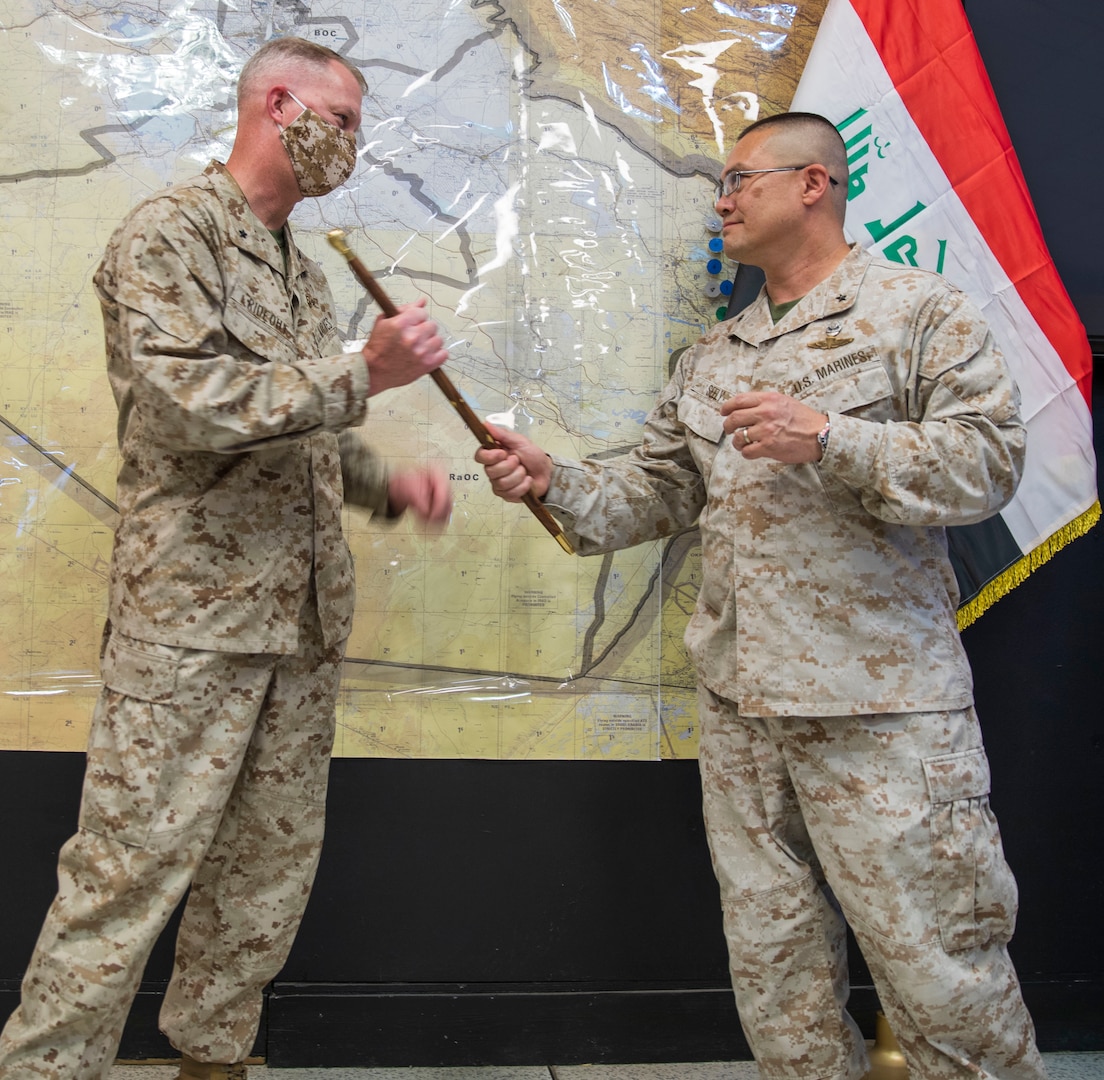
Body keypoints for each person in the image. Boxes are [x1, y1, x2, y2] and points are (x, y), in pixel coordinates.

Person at [476, 112, 1047, 1079]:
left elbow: (989, 466)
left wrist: (832, 437)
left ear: (814, 184)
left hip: (880, 709)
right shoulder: (715, 355)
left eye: (740, 180)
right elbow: (656, 491)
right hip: (743, 706)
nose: (722, 200)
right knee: (775, 965)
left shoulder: (919, 313)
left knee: (939, 964)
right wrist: (552, 480)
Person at [0, 36, 452, 1080]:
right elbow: (180, 404)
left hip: (296, 623)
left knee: (264, 872)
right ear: (277, 102)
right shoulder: (169, 235)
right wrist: (361, 375)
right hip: (193, 623)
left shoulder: (298, 266)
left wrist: (387, 483)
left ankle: (215, 1059)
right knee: (128, 867)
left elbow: (300, 430)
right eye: (341, 119)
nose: (353, 142)